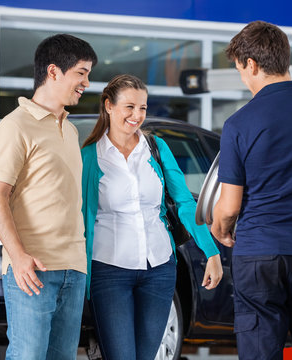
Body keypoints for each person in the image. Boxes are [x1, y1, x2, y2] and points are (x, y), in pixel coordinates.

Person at [211, 21, 292, 360]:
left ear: (251, 64)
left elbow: (229, 206)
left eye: (241, 69)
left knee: (259, 352)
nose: (243, 77)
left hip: (258, 254)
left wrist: (220, 229)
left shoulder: (239, 123)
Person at [81, 74, 223, 360]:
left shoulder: (156, 148)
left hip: (159, 267)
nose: (137, 116)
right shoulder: (89, 157)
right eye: (129, 107)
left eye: (143, 108)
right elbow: (80, 217)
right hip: (109, 270)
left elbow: (184, 202)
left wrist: (211, 251)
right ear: (108, 106)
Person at [0, 34, 97, 360]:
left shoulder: (71, 129)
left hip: (73, 269)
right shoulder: (15, 126)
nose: (86, 83)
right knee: (28, 355)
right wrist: (18, 256)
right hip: (32, 269)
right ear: (53, 71)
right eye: (81, 72)